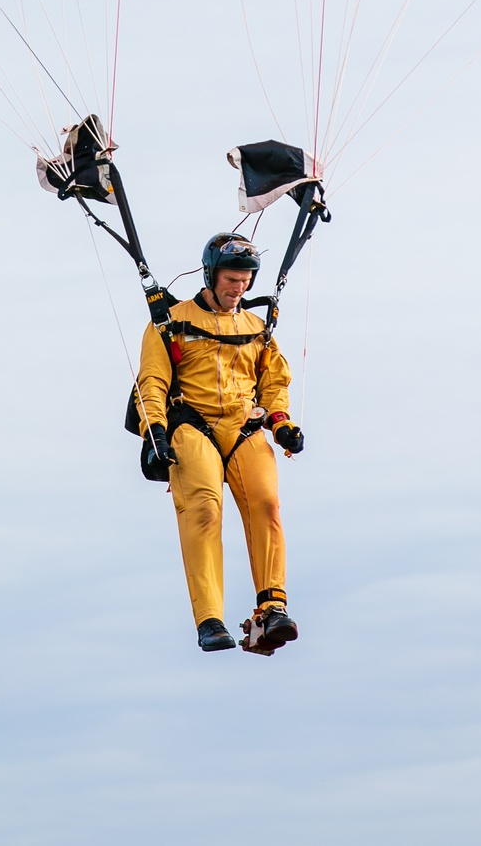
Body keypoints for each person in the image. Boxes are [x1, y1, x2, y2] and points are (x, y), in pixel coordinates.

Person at [135, 232, 305, 653]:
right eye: (231, 279)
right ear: (212, 276)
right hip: (192, 425)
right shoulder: (170, 321)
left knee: (266, 502)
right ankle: (209, 619)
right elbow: (152, 382)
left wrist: (281, 423)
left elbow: (273, 382)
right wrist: (153, 429)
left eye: (246, 280)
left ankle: (273, 608)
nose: (239, 288)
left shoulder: (256, 327)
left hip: (242, 426)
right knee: (206, 509)